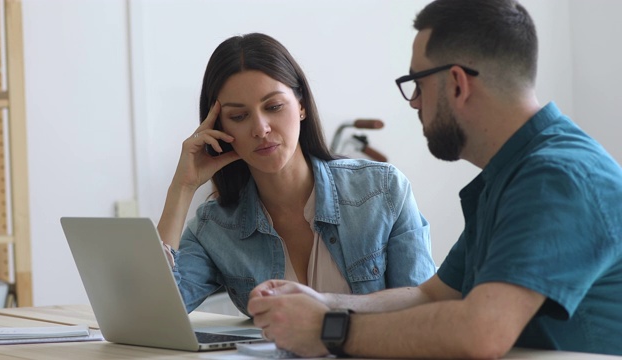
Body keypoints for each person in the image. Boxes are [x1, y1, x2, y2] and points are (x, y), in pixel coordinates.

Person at [247, 0, 622, 358]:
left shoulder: (557, 177)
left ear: (457, 83)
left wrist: (328, 331)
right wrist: (324, 303)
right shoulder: (513, 173)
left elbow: (482, 332)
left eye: (417, 84)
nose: (414, 102)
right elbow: (434, 295)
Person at [156, 33, 436, 317]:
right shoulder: (216, 227)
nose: (261, 128)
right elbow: (154, 313)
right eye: (239, 116)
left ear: (301, 105)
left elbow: (425, 311)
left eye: (274, 107)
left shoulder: (383, 191)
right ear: (220, 128)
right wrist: (182, 188)